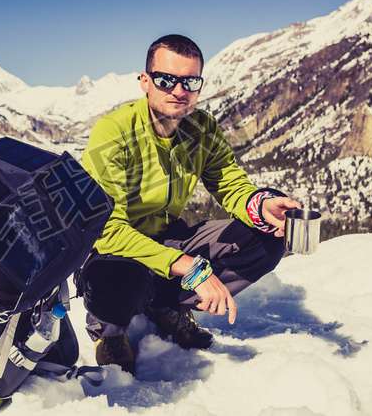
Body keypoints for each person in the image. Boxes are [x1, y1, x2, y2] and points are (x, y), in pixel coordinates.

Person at [76, 34, 300, 374]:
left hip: (169, 238)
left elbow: (228, 180)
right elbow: (106, 230)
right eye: (167, 80)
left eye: (190, 82)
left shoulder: (202, 129)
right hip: (114, 254)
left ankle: (166, 305)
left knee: (266, 234)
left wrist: (259, 204)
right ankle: (109, 330)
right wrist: (190, 268)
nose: (179, 91)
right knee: (122, 278)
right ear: (145, 81)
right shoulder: (114, 131)